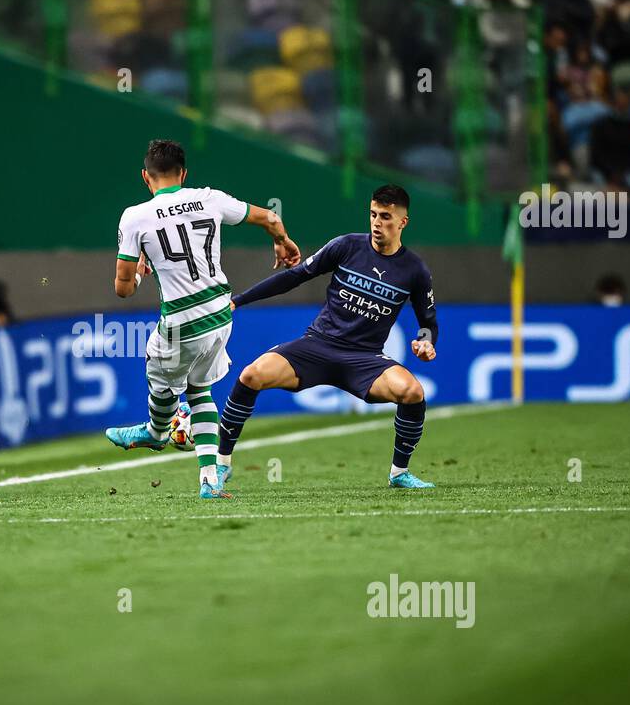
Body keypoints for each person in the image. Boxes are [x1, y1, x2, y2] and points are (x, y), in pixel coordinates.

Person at [102, 138, 300, 500]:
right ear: (184, 173)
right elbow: (270, 217)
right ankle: (209, 480)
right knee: (199, 388)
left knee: (159, 380)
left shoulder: (134, 217)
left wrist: (142, 271)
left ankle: (158, 431)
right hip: (221, 313)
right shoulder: (209, 198)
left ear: (146, 177)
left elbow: (123, 290)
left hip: (182, 321)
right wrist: (282, 241)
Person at [216, 184, 439, 490]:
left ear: (403, 222)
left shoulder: (415, 270)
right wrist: (237, 300)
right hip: (317, 346)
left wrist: (426, 341)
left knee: (412, 392)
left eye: (386, 216)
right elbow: (294, 276)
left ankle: (399, 473)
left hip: (365, 360)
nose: (376, 222)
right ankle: (222, 464)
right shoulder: (346, 246)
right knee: (251, 375)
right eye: (373, 214)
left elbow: (428, 323)